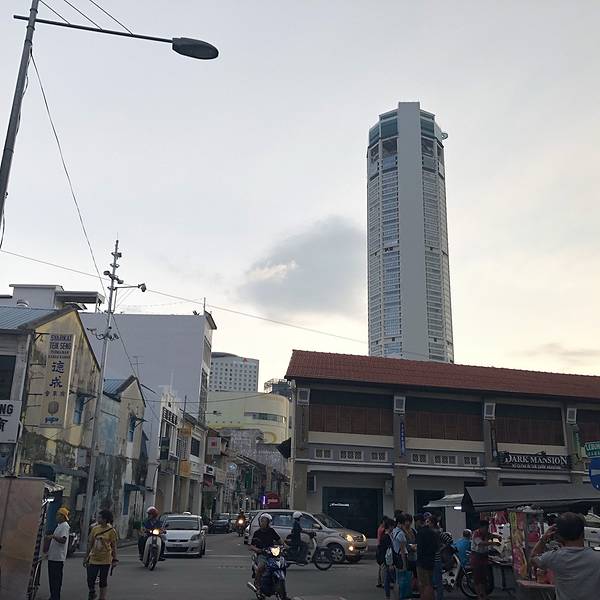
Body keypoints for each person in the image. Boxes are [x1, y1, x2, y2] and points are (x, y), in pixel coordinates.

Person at [532, 512, 600, 600]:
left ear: (559, 535)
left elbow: (532, 559)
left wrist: (543, 539)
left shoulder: (553, 557)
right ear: (583, 533)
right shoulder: (597, 557)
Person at [85, 509, 118, 600]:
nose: (98, 519)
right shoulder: (95, 529)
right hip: (93, 558)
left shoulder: (111, 531)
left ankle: (102, 597)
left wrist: (115, 559)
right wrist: (86, 557)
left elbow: (114, 546)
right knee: (90, 578)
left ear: (105, 519)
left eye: (99, 517)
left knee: (103, 580)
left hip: (105, 559)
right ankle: (92, 591)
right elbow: (90, 543)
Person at [249, 513, 283, 592]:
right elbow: (251, 546)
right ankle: (257, 584)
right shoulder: (257, 533)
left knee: (281, 564)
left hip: (272, 554)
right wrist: (258, 550)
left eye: (265, 521)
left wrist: (285, 546)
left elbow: (279, 540)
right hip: (262, 554)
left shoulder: (271, 531)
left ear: (268, 522)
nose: (263, 523)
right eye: (262, 521)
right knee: (261, 567)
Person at [46, 507, 70, 600]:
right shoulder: (59, 525)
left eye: (58, 515)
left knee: (55, 579)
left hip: (58, 558)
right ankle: (53, 596)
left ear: (62, 516)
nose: (56, 516)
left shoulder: (64, 526)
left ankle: (55, 597)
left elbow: (63, 540)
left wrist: (53, 536)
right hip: (53, 556)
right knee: (52, 579)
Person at [416, 515, 438, 600]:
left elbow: (419, 548)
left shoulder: (420, 533)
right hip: (431, 560)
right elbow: (436, 547)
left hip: (422, 561)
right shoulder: (433, 533)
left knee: (424, 584)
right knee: (430, 583)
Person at [470, 520, 493, 600]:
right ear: (481, 527)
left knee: (483, 579)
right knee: (477, 578)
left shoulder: (485, 533)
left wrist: (497, 537)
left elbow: (491, 535)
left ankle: (484, 595)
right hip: (476, 557)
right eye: (486, 528)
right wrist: (493, 543)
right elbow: (480, 543)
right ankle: (479, 596)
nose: (487, 529)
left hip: (484, 556)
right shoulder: (476, 534)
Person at [376, 518, 395, 600]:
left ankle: (387, 595)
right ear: (390, 526)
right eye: (393, 526)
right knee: (388, 576)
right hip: (387, 559)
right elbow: (387, 550)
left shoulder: (387, 535)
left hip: (386, 558)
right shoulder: (386, 537)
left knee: (387, 577)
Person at [376, 516, 390, 588]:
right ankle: (383, 582)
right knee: (383, 566)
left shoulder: (380, 528)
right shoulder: (382, 529)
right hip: (381, 547)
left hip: (379, 546)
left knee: (381, 566)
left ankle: (379, 581)